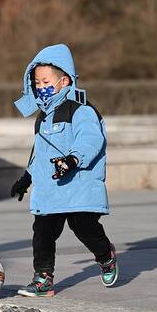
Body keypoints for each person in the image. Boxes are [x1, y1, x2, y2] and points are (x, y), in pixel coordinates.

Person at [11, 44, 118, 297]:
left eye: (45, 80)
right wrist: (26, 177)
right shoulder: (43, 116)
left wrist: (72, 159)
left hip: (78, 183)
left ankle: (106, 256)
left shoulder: (80, 110)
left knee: (83, 227)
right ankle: (43, 279)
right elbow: (39, 152)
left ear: (64, 80)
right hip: (50, 188)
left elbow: (91, 140)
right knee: (43, 232)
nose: (40, 86)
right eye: (36, 82)